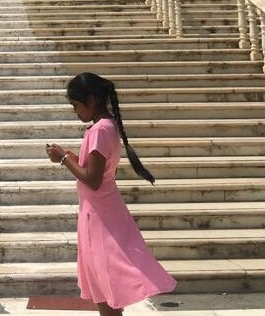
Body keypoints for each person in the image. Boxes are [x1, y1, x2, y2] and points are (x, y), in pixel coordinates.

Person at [46, 72, 175, 315]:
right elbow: (98, 172)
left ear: (91, 100)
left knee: (108, 292)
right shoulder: (106, 126)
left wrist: (63, 158)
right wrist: (74, 159)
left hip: (101, 218)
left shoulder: (99, 130)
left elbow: (93, 180)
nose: (75, 111)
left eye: (76, 105)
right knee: (107, 292)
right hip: (102, 212)